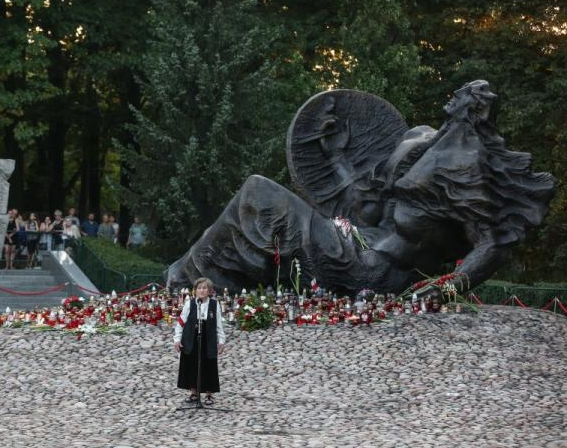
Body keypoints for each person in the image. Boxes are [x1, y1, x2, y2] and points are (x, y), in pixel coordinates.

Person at [167, 81, 555, 295]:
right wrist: (337, 158)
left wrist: (448, 289)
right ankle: (199, 282)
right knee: (260, 203)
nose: (451, 98)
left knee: (258, 193)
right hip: (357, 246)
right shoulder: (426, 143)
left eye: (460, 95)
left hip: (374, 272)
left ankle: (185, 282)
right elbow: (361, 209)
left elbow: (493, 243)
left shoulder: (465, 165)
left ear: (471, 108)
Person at [174, 277, 225, 405]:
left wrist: (221, 340)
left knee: (209, 364)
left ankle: (209, 394)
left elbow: (218, 324)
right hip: (191, 336)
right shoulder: (190, 303)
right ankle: (194, 393)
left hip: (208, 337)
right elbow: (181, 322)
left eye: (204, 288)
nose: (202, 290)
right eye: (199, 288)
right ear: (195, 290)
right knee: (191, 364)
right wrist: (177, 339)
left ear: (209, 291)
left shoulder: (214, 304)